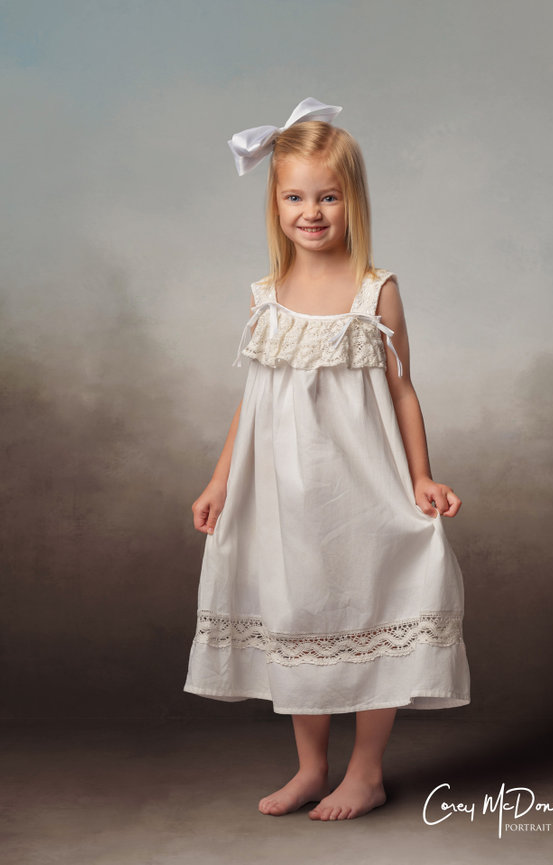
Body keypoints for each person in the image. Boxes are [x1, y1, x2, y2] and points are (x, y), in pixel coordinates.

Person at [183, 98, 470, 821]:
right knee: (297, 612)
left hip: (361, 489)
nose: (311, 212)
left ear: (352, 201)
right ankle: (312, 766)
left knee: (374, 602)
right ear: (276, 202)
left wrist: (421, 476)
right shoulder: (266, 295)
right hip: (282, 493)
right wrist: (221, 479)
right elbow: (253, 398)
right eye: (295, 197)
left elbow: (403, 391)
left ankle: (366, 770)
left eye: (328, 196)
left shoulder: (377, 291)